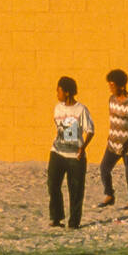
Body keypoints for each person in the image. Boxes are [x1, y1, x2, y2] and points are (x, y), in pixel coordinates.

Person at [48, 77, 94, 229]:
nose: (57, 94)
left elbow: (90, 131)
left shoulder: (81, 110)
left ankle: (74, 222)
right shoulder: (57, 108)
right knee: (53, 185)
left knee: (75, 190)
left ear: (67, 92)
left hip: (75, 157)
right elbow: (61, 130)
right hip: (57, 153)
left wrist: (83, 147)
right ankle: (56, 218)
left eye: (59, 90)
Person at [98, 69, 128, 210]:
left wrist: (127, 143)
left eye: (112, 85)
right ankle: (109, 195)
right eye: (109, 85)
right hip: (113, 143)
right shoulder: (111, 100)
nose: (110, 88)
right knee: (104, 168)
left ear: (121, 86)